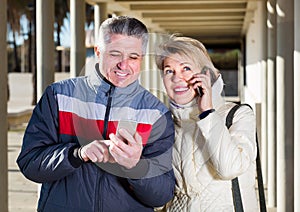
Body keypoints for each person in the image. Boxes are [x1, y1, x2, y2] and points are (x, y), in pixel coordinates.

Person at [17, 16, 175, 212]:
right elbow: (30, 162)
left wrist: (135, 166)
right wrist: (77, 154)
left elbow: (162, 195)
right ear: (98, 52)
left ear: (141, 58)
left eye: (133, 57)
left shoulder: (156, 114)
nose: (124, 65)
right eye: (115, 54)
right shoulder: (58, 97)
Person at [155, 35, 258, 211]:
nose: (176, 78)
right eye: (169, 71)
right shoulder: (164, 126)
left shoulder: (237, 115)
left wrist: (208, 112)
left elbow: (229, 168)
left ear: (206, 74)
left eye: (186, 68)